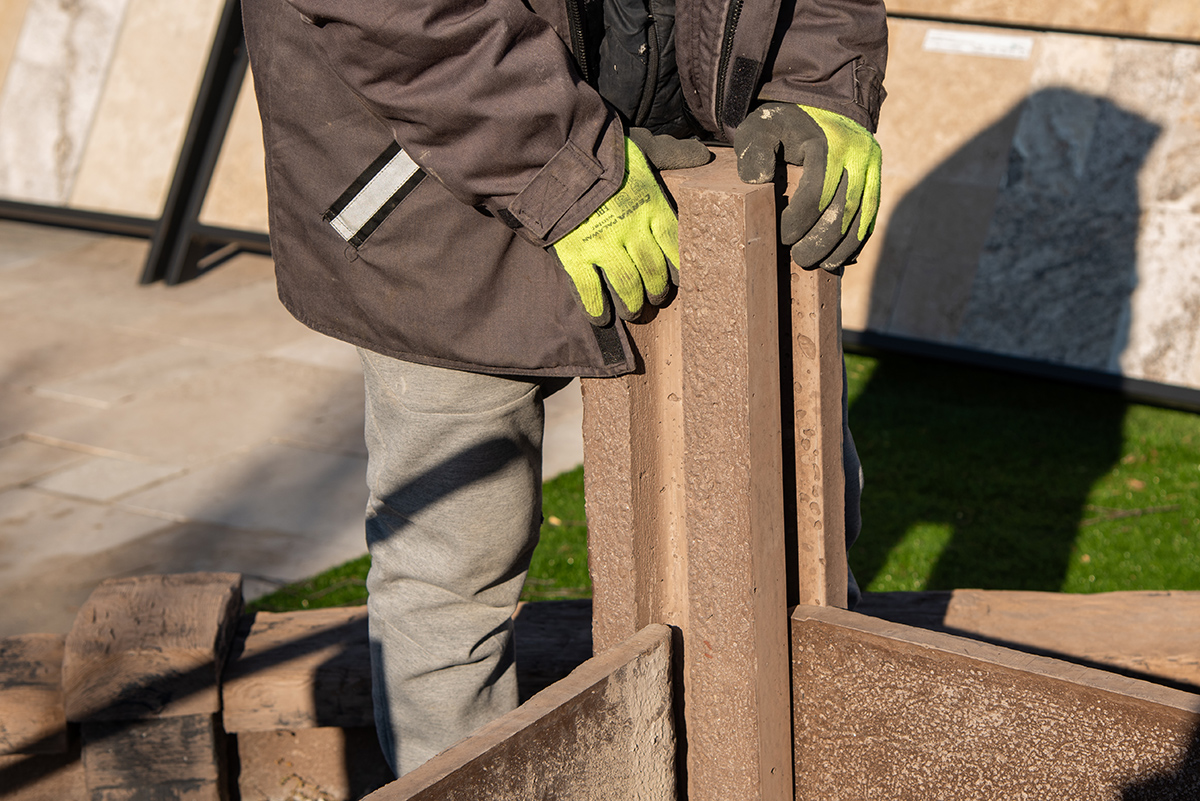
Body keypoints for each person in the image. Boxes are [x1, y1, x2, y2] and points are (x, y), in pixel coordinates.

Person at [241, 0, 885, 778]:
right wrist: (562, 167)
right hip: (434, 182)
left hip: (707, 172)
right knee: (451, 575)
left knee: (801, 513)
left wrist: (821, 87)